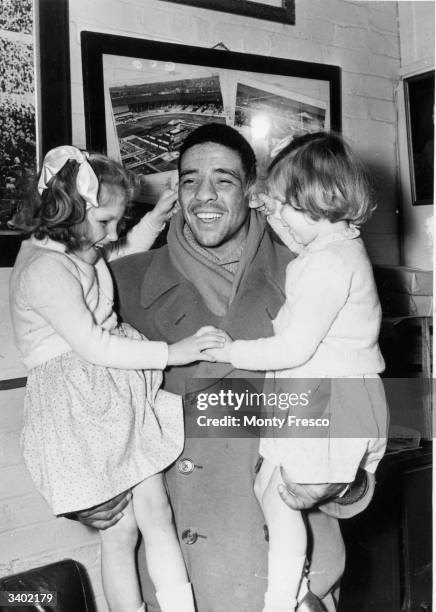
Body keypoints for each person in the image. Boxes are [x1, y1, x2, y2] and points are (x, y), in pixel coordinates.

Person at [77, 125, 376, 612]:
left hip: (295, 583)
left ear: (255, 190)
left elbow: (361, 403)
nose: (205, 195)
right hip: (180, 582)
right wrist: (88, 494)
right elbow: (74, 398)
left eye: (224, 179)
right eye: (190, 180)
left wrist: (347, 482)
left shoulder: (317, 269)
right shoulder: (120, 284)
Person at [9, 146, 226, 612]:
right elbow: (95, 346)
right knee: (121, 529)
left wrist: (155, 219)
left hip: (112, 393)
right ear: (69, 208)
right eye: (105, 221)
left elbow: (115, 257)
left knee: (156, 513)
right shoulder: (43, 269)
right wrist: (174, 352)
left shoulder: (76, 246)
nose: (111, 235)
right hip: (81, 407)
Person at [205, 132, 388, 612]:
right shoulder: (334, 243)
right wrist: (274, 207)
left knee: (283, 497)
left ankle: (280, 600)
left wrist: (232, 351)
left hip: (330, 402)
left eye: (286, 204)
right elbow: (298, 234)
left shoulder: (328, 265)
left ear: (320, 202)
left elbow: (294, 346)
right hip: (320, 397)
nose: (277, 216)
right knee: (268, 486)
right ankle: (293, 586)